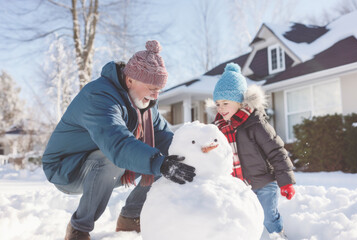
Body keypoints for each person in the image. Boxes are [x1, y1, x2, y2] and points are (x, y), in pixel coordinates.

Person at [41, 40, 196, 240]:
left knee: (167, 157)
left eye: (158, 89)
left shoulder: (146, 103)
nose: (155, 95)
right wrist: (160, 163)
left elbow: (165, 138)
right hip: (67, 169)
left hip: (104, 165)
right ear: (130, 80)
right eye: (151, 87)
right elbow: (117, 143)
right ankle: (78, 229)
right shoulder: (99, 96)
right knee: (124, 158)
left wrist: (191, 153)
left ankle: (131, 217)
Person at [212, 63, 296, 240]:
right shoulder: (218, 129)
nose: (220, 108)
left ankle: (278, 236)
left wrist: (285, 181)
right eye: (218, 103)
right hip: (239, 187)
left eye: (226, 103)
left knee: (268, 217)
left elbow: (276, 151)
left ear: (241, 102)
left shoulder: (256, 124)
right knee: (243, 218)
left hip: (264, 183)